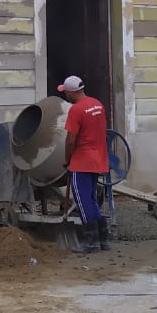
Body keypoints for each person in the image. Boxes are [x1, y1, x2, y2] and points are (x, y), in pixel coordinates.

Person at [59, 75, 110, 253]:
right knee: (91, 199)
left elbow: (70, 141)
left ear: (72, 92)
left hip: (82, 161)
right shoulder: (97, 104)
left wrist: (67, 159)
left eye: (65, 92)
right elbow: (103, 132)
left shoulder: (76, 109)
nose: (65, 95)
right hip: (98, 159)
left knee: (82, 201)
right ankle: (104, 239)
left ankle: (91, 242)